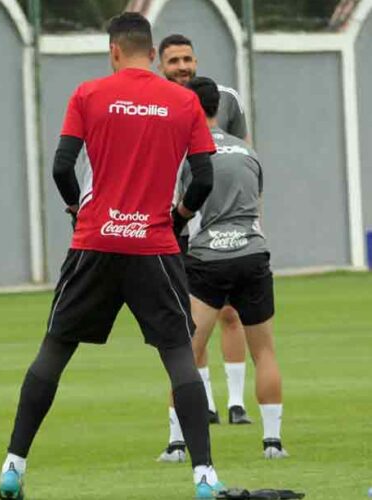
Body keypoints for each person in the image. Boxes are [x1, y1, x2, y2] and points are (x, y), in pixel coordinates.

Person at [0, 13, 224, 500]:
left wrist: (79, 208)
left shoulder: (88, 94)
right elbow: (203, 179)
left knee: (55, 349)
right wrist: (178, 217)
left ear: (114, 50)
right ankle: (204, 476)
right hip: (155, 245)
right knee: (179, 356)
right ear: (151, 52)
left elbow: (62, 167)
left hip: (95, 240)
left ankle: (13, 465)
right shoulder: (183, 101)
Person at [166, 77, 288, 461]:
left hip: (207, 260)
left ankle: (177, 443)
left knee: (187, 351)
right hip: (252, 254)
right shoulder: (247, 152)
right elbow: (257, 203)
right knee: (264, 350)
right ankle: (273, 442)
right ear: (218, 108)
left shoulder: (189, 155)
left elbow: (181, 205)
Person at [158, 33, 252, 426]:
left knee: (231, 313)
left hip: (220, 227)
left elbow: (244, 155)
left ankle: (236, 403)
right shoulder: (152, 104)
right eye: (174, 61)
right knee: (186, 322)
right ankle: (204, 404)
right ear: (159, 65)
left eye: (187, 59)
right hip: (172, 226)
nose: (182, 67)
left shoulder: (224, 99)